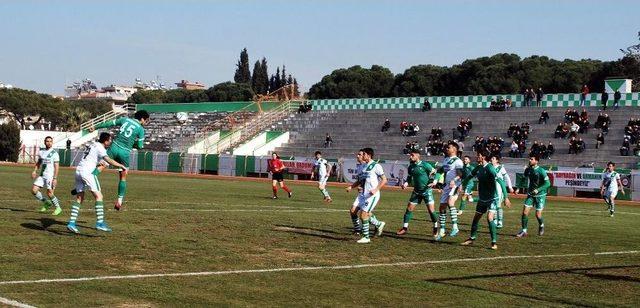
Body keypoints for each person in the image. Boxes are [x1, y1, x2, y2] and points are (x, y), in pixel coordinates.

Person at [67, 132, 128, 234]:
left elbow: (91, 157)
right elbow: (109, 160)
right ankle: (100, 223)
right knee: (99, 196)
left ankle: (71, 223)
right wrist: (121, 165)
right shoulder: (101, 148)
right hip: (87, 173)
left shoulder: (92, 144)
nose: (110, 142)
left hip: (78, 170)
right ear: (106, 141)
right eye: (110, 141)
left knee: (79, 198)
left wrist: (97, 162)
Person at [91, 110, 150, 210]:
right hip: (125, 152)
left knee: (101, 167)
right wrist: (132, 144)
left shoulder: (124, 119)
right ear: (142, 118)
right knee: (123, 176)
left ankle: (85, 183)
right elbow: (140, 146)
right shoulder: (140, 129)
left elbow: (109, 123)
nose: (146, 122)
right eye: (146, 120)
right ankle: (119, 201)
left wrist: (95, 127)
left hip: (114, 147)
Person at [460, 149, 501, 250]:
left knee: (489, 218)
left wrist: (506, 197)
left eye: (478, 155)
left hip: (492, 198)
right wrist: (461, 185)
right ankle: (472, 238)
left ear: (483, 157)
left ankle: (493, 242)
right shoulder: (478, 167)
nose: (477, 156)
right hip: (482, 199)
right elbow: (469, 177)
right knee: (476, 218)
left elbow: (501, 182)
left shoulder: (490, 168)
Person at [346, 148, 387, 244]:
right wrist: (351, 187)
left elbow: (384, 180)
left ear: (368, 155)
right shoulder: (363, 166)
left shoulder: (376, 166)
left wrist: (376, 189)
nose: (362, 156)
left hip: (372, 195)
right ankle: (378, 224)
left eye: (363, 154)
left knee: (363, 215)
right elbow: (360, 181)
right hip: (364, 194)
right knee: (362, 214)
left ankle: (366, 237)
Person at [396, 149, 438, 236]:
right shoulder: (410, 167)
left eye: (412, 155)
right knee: (409, 209)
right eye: (410, 155)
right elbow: (409, 178)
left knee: (431, 211)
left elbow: (435, 172)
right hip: (416, 191)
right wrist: (406, 184)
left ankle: (435, 227)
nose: (410, 157)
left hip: (427, 191)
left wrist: (434, 181)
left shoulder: (425, 165)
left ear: (418, 155)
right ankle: (404, 228)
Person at [515, 155, 551, 238]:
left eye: (532, 159)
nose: (530, 160)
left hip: (540, 195)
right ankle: (524, 231)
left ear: (536, 161)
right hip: (530, 194)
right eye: (530, 159)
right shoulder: (528, 169)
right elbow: (523, 178)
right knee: (524, 212)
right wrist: (518, 188)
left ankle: (541, 225)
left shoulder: (541, 171)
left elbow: (548, 183)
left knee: (538, 215)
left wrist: (538, 190)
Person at [435, 141, 463, 241]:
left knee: (450, 202)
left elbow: (460, 174)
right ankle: (442, 230)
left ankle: (455, 227)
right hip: (447, 186)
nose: (447, 148)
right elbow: (440, 170)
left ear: (454, 149)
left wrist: (454, 180)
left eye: (449, 147)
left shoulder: (458, 161)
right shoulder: (446, 159)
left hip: (455, 185)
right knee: (442, 207)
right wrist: (435, 180)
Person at [31, 136, 62, 215]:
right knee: (34, 190)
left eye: (50, 141)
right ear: (45, 142)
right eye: (47, 141)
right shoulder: (41, 152)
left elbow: (57, 167)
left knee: (50, 193)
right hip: (42, 175)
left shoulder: (55, 153)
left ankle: (58, 208)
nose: (49, 143)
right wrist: (34, 171)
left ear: (52, 142)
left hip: (50, 176)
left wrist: (55, 178)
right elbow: (39, 163)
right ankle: (47, 203)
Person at [491, 155, 514, 228]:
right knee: (493, 205)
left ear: (497, 160)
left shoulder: (500, 168)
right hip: (492, 190)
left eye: (493, 158)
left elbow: (507, 177)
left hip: (499, 190)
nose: (492, 159)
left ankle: (500, 221)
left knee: (498, 205)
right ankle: (495, 220)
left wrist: (510, 187)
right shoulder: (490, 167)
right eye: (491, 158)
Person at [348, 152, 366, 235]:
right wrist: (351, 187)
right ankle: (357, 230)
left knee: (365, 214)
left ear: (364, 156)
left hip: (368, 194)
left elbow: (371, 180)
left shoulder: (368, 166)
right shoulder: (359, 167)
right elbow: (359, 180)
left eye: (359, 154)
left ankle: (378, 224)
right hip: (361, 193)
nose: (357, 156)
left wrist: (363, 187)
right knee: (353, 211)